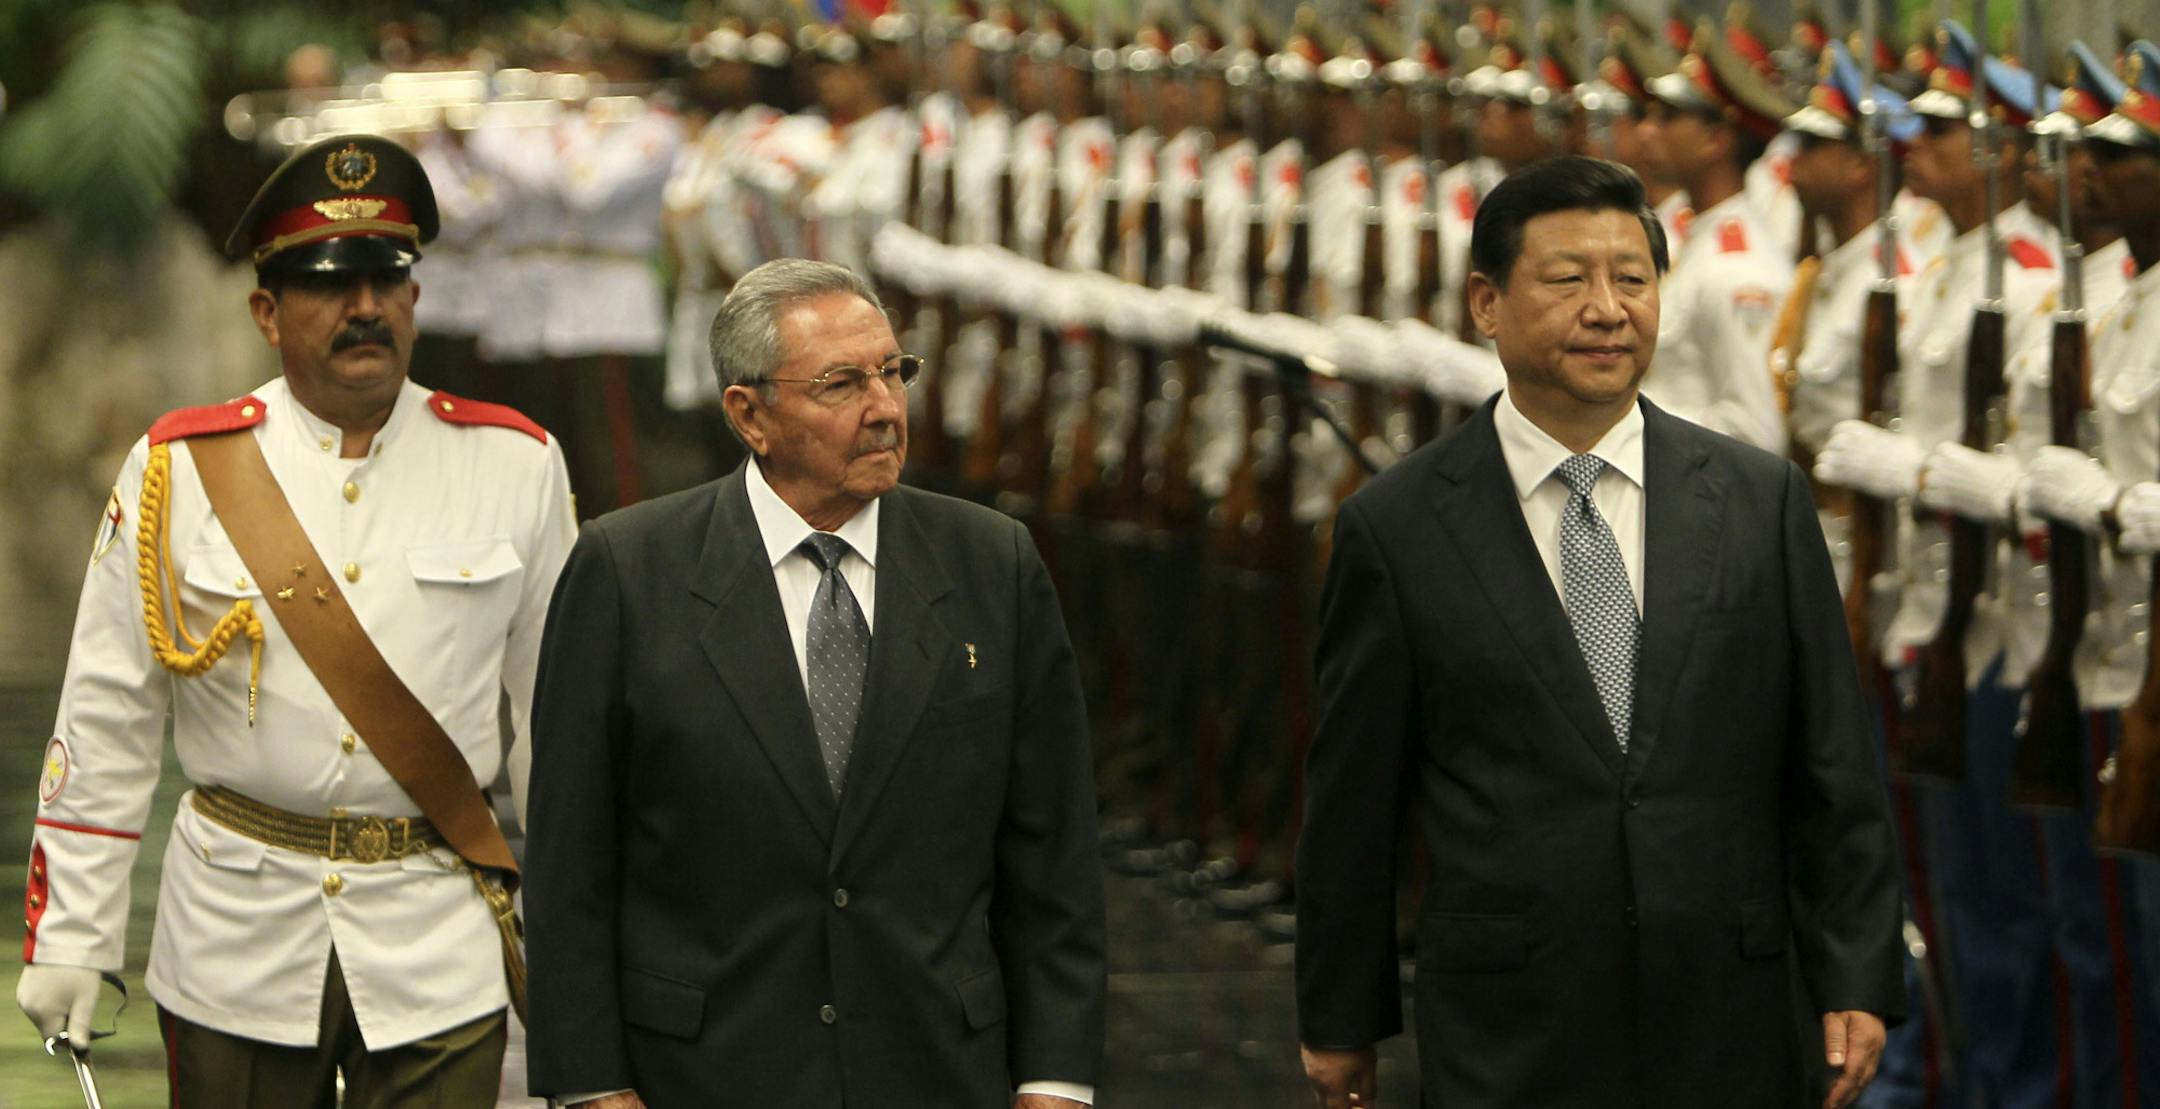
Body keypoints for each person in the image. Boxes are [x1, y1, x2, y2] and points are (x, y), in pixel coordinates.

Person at [1293, 155, 1904, 1108]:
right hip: (1512, 1025)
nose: (1608, 309)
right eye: (1569, 279)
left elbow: (1833, 766)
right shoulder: (1400, 526)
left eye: (1633, 278)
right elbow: (1354, 801)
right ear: (1487, 304)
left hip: (1730, 1014)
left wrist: (1857, 974)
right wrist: (1338, 1015)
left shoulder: (1755, 499)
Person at [14, 133, 576, 1104]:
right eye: (328, 281)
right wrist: (72, 935)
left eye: (384, 277)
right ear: (267, 311)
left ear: (414, 296)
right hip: (238, 935)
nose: (363, 306)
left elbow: (558, 736)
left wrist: (585, 943)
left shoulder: (517, 464)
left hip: (438, 933)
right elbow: (105, 717)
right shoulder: (179, 470)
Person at [521, 258, 1106, 1108]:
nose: (884, 408)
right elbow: (571, 866)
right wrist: (591, 1088)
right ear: (749, 414)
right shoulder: (627, 572)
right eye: (841, 383)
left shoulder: (993, 563)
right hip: (704, 1076)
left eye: (892, 371)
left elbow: (1053, 854)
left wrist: (1057, 1079)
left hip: (938, 1071)